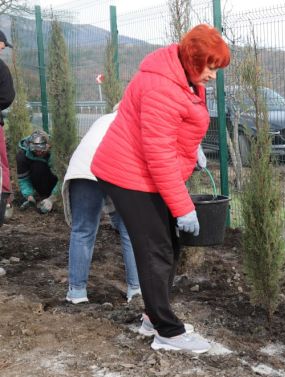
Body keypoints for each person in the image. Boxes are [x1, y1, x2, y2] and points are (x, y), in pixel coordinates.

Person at [91, 24, 230, 354]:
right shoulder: (161, 87)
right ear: (192, 60)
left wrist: (192, 148)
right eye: (209, 67)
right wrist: (183, 207)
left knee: (168, 244)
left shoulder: (183, 78)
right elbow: (158, 155)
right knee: (156, 249)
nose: (213, 75)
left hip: (143, 171)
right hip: (129, 175)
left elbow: (172, 129)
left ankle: (153, 318)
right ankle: (168, 332)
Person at [62, 107, 141, 305]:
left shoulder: (103, 119)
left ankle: (77, 293)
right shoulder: (137, 121)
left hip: (83, 169)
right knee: (131, 231)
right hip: (115, 168)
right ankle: (136, 290)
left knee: (83, 230)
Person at [17, 129, 59, 213]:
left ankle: (48, 195)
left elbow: (63, 179)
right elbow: (23, 179)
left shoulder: (56, 153)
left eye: (42, 150)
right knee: (38, 165)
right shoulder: (22, 155)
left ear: (48, 146)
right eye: (35, 150)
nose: (39, 153)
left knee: (40, 165)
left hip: (53, 181)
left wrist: (52, 198)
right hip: (37, 183)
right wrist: (29, 196)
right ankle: (38, 195)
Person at [0, 30, 15, 227]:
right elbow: (7, 96)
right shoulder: (1, 67)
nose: (2, 50)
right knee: (1, 163)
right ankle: (4, 202)